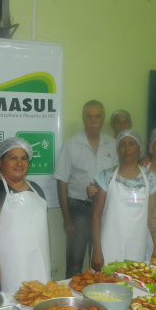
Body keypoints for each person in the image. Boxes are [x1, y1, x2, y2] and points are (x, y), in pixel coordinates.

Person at [0, 137, 50, 292]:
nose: (19, 163)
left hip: (38, 266)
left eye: (24, 158)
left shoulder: (36, 188)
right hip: (7, 269)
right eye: (13, 158)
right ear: (0, 162)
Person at [54, 100, 117, 278]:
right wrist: (66, 218)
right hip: (79, 210)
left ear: (103, 118)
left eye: (97, 116)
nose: (93, 121)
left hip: (105, 210)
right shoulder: (71, 145)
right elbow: (61, 182)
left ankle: (96, 301)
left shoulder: (113, 145)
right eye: (89, 116)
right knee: (74, 263)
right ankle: (71, 304)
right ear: (83, 118)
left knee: (100, 263)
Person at [91, 130, 156, 270]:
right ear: (118, 150)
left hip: (137, 244)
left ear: (139, 148)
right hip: (108, 244)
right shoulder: (106, 177)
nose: (127, 148)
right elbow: (95, 216)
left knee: (133, 285)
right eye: (122, 145)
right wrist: (97, 251)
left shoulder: (150, 179)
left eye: (132, 144)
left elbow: (153, 217)